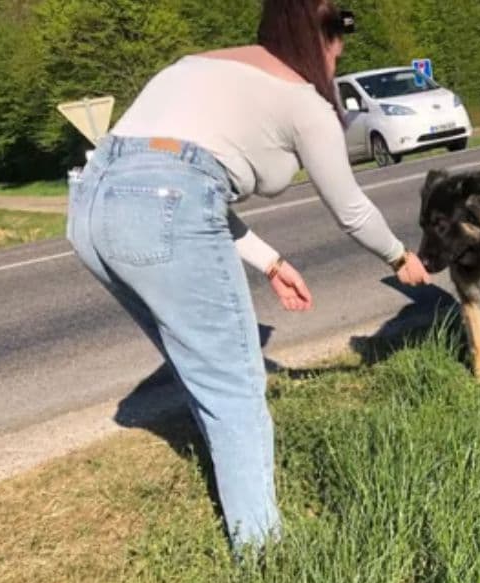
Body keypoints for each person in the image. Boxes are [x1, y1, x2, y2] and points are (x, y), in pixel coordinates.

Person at [65, 0, 431, 554]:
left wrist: (272, 263)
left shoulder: (194, 65)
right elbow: (350, 209)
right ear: (321, 39)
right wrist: (400, 257)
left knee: (201, 370)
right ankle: (263, 557)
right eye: (338, 43)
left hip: (89, 208)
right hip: (162, 204)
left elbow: (171, 182)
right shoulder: (303, 101)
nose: (338, 57)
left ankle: (240, 510)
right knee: (235, 387)